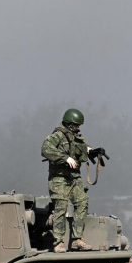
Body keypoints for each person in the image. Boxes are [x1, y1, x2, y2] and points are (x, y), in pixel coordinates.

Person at [41, 108, 95, 253]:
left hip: (74, 178)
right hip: (59, 179)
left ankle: (77, 239)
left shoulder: (76, 138)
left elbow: (84, 149)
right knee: (61, 207)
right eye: (76, 125)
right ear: (69, 123)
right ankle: (58, 242)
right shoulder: (57, 136)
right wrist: (65, 158)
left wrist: (92, 151)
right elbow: (46, 149)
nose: (78, 128)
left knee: (82, 203)